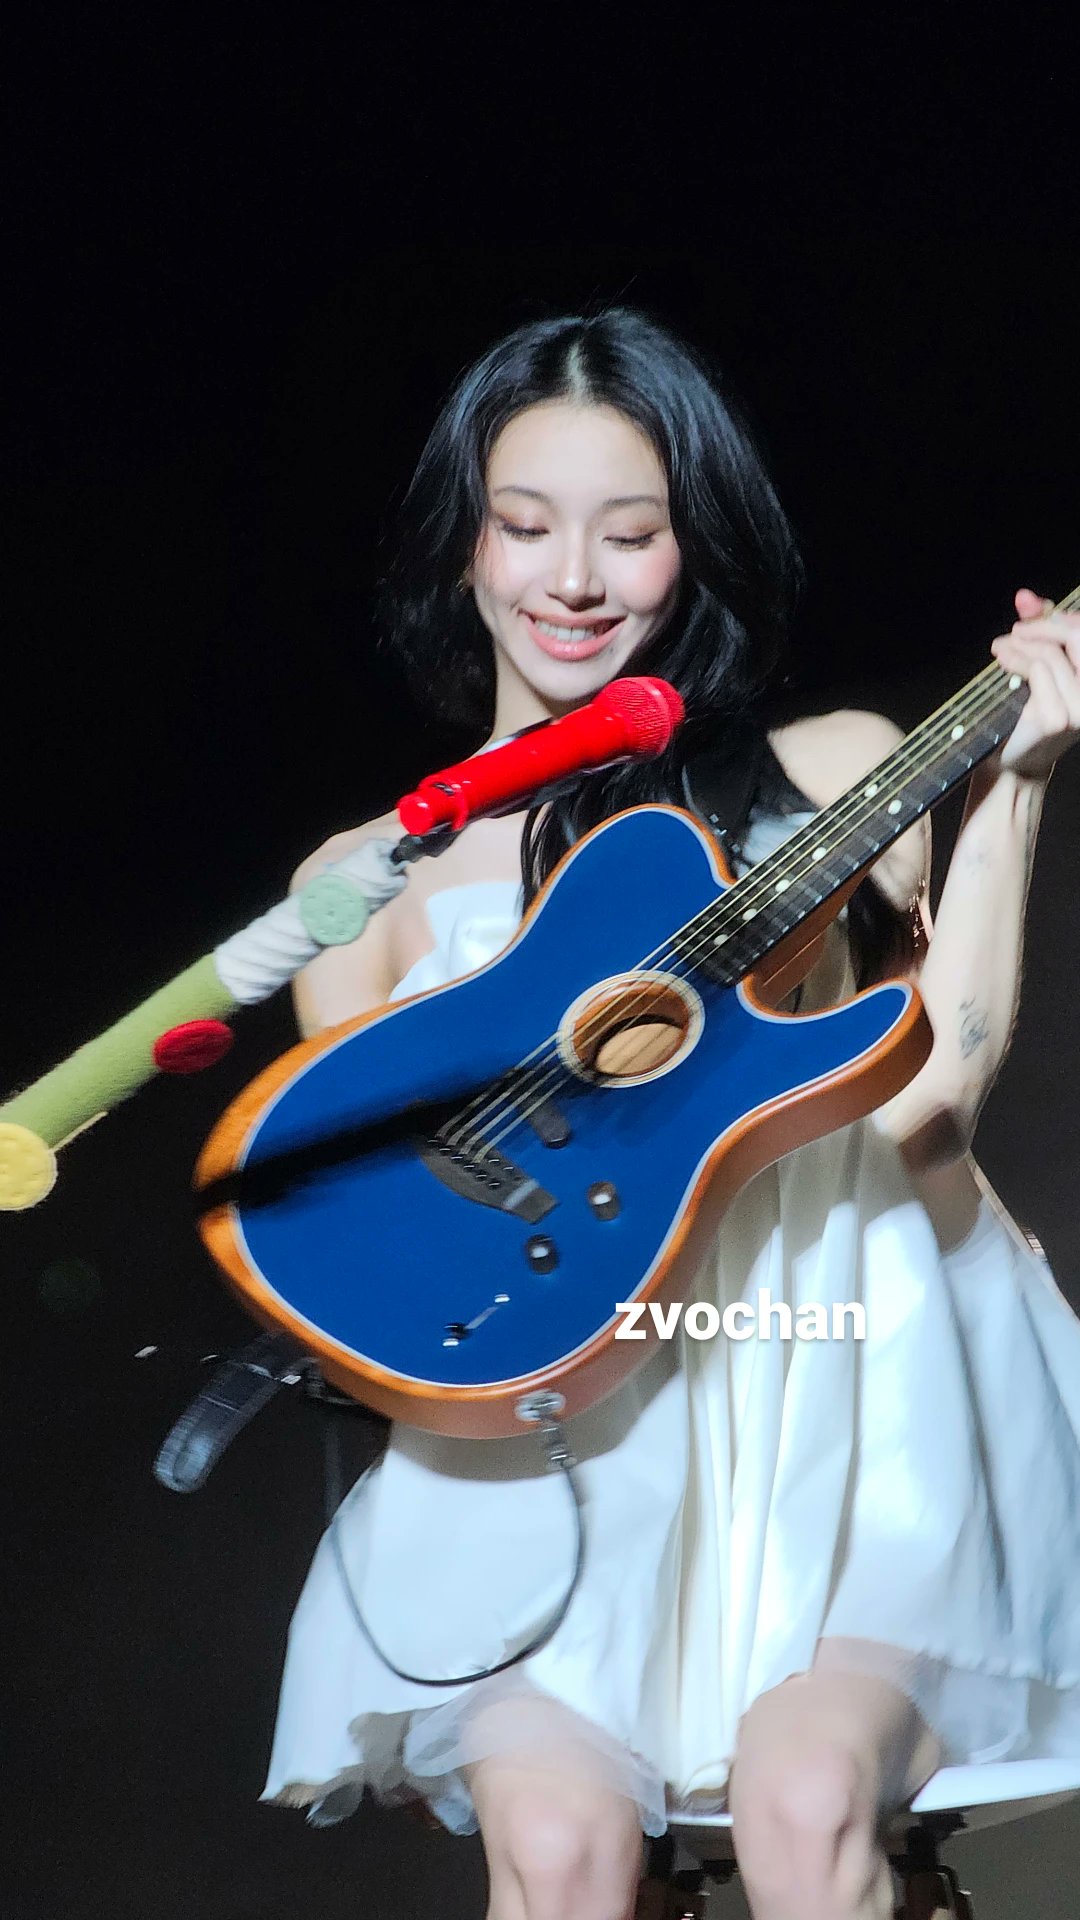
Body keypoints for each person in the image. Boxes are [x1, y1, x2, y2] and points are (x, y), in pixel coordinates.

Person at [263, 309, 1080, 1920]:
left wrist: (1023, 786)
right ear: (463, 546)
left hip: (847, 1390)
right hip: (556, 1440)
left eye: (628, 533)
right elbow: (383, 1250)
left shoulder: (825, 779)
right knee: (560, 1854)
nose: (573, 578)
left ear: (692, 549)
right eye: (526, 525)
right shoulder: (364, 891)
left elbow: (933, 1104)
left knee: (805, 1805)